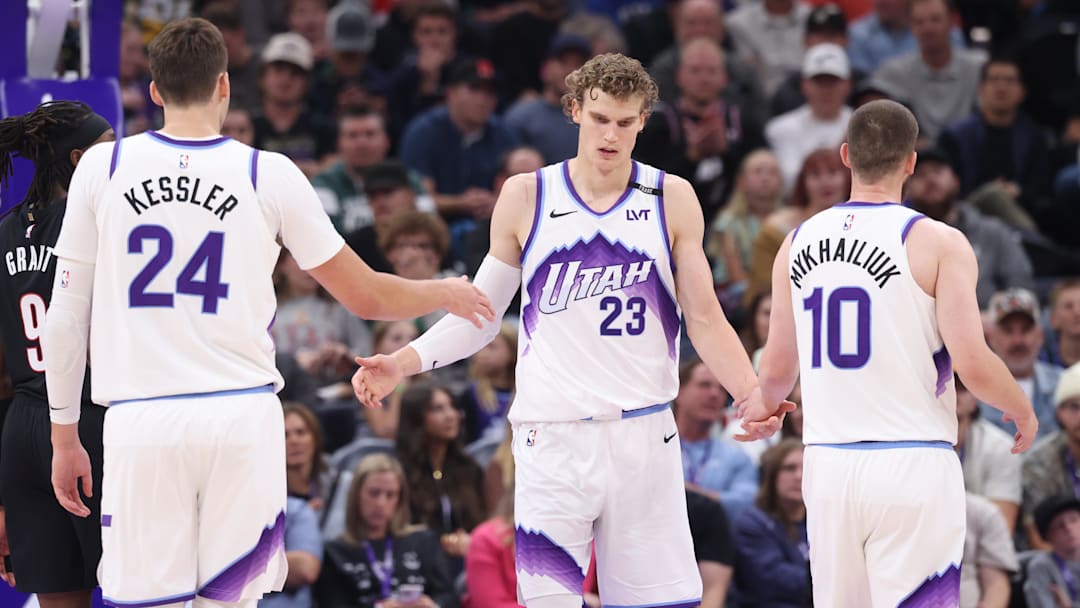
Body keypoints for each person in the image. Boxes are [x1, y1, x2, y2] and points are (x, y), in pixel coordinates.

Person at [43, 18, 492, 608]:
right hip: (241, 416)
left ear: (154, 91)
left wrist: (64, 435)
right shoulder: (268, 172)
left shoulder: (102, 168)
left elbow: (65, 318)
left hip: (142, 418)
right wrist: (442, 291)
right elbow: (364, 295)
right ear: (225, 85)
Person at [353, 52, 783, 608]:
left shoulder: (670, 197)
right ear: (575, 110)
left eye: (625, 122)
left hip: (644, 432)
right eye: (600, 118)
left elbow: (703, 316)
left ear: (643, 121)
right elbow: (481, 316)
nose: (611, 134)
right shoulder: (527, 195)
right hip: (552, 436)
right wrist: (402, 362)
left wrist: (750, 393)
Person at [742, 99, 1038, 606]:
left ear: (845, 156)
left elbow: (776, 367)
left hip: (829, 465)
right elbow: (972, 361)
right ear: (911, 162)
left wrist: (761, 408)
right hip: (912, 459)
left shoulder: (796, 241)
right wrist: (1021, 407)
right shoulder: (938, 242)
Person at [0, 101, 114, 607]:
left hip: (22, 430)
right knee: (144, 590)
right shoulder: (96, 223)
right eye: (108, 148)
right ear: (78, 160)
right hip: (87, 420)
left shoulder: (4, 230)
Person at [315, 453, 458, 608]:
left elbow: (449, 597)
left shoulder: (424, 542)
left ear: (399, 499)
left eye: (390, 495)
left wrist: (433, 605)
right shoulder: (335, 552)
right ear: (356, 495)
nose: (381, 503)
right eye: (374, 493)